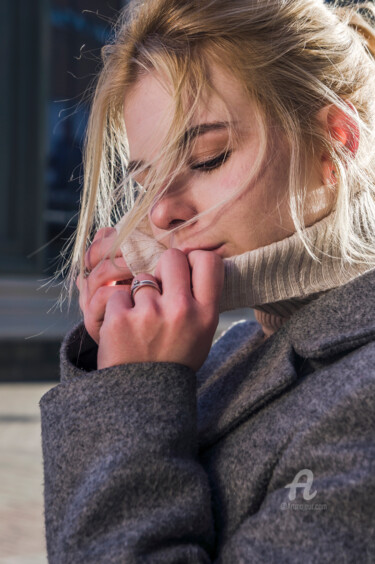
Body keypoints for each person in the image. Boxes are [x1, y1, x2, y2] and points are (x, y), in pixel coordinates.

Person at [40, 0, 375, 562]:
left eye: (208, 157)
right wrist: (116, 374)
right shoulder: (225, 355)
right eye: (146, 182)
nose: (162, 212)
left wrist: (135, 388)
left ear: (334, 142)